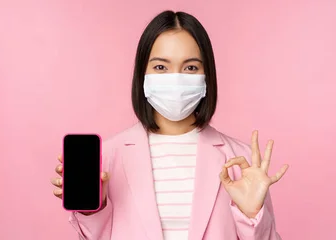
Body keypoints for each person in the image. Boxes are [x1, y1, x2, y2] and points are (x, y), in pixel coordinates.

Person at [51, 10, 289, 240]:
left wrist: (252, 216)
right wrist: (93, 210)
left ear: (207, 77)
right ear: (142, 75)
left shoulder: (241, 160)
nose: (175, 78)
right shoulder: (108, 159)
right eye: (161, 67)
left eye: (191, 67)